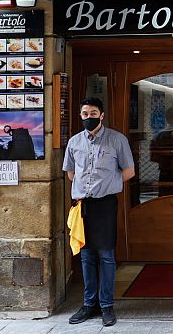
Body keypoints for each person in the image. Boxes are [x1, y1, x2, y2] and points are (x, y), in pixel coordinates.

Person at [63, 98, 135, 327]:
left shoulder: (117, 140)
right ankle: (88, 304)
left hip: (105, 205)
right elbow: (71, 174)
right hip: (83, 205)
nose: (89, 117)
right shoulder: (74, 142)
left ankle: (106, 306)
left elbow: (129, 171)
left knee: (106, 255)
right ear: (81, 116)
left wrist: (107, 185)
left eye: (93, 113)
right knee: (86, 256)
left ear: (102, 115)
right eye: (85, 113)